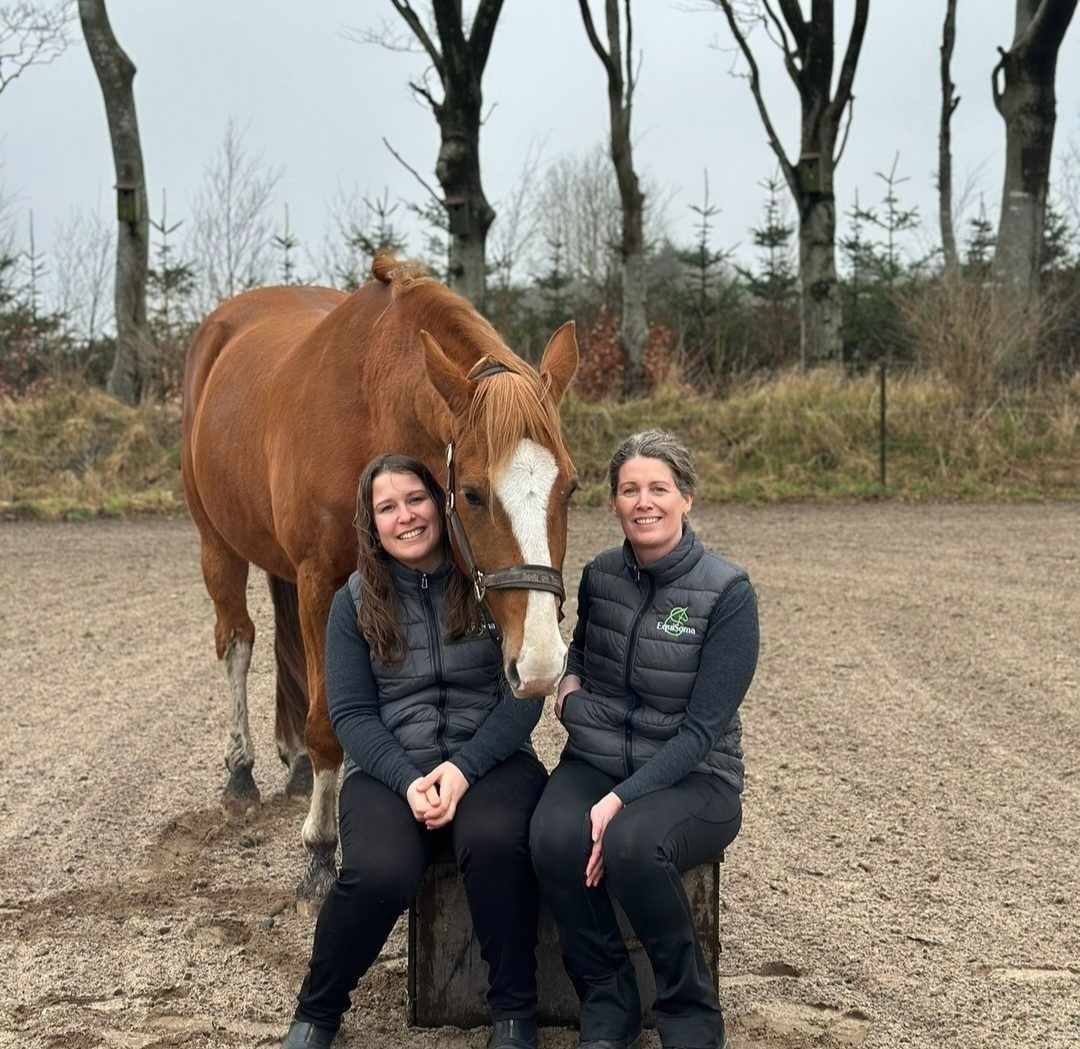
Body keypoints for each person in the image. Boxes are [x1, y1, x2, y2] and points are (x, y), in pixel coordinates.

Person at [282, 454, 548, 1049]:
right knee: (379, 873)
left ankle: (513, 1013)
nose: (405, 517)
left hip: (490, 763)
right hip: (389, 771)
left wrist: (461, 768)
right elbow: (351, 713)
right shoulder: (354, 602)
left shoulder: (486, 586)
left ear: (440, 503)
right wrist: (407, 780)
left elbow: (524, 693)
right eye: (387, 507)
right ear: (370, 523)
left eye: (416, 500)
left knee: (497, 846)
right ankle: (318, 1012)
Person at [530, 430, 759, 1049]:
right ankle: (607, 1002)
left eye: (658, 488)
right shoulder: (600, 576)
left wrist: (620, 799)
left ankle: (688, 1016)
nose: (643, 502)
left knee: (631, 845)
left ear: (686, 498)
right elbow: (577, 655)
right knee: (551, 836)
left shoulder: (727, 593)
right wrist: (571, 691)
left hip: (693, 777)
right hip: (596, 758)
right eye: (629, 489)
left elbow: (702, 730)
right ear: (613, 504)